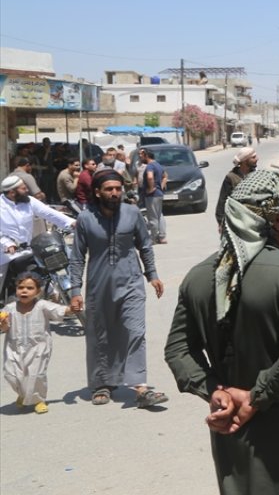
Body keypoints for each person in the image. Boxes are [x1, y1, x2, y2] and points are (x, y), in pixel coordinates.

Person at [165, 168, 279, 494]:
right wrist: (255, 398)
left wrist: (215, 391)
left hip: (233, 433)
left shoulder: (198, 277)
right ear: (277, 220)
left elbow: (177, 351)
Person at [67, 169, 167, 408]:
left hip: (131, 281)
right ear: (98, 192)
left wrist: (151, 275)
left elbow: (145, 246)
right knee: (101, 334)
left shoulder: (132, 213)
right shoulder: (85, 218)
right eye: (109, 189)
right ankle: (102, 383)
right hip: (98, 285)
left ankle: (140, 387)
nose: (115, 193)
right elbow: (77, 257)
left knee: (135, 331)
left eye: (118, 188)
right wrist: (75, 291)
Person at [1, 272, 79, 413]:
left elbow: (60, 310)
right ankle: (23, 394)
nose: (24, 291)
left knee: (36, 375)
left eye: (29, 288)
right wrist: (4, 323)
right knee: (12, 375)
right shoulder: (9, 309)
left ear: (38, 291)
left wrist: (72, 308)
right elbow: (5, 328)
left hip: (38, 348)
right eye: (21, 287)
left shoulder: (42, 305)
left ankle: (38, 400)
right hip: (13, 348)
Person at [1, 176, 76, 284]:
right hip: (4, 254)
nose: (27, 190)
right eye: (23, 188)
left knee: (48, 279)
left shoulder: (29, 201)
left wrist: (71, 223)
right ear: (12, 192)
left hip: (27, 250)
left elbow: (49, 213)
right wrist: (7, 243)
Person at [216, 147, 258, 230]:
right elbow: (222, 201)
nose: (257, 159)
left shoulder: (256, 175)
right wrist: (221, 222)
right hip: (237, 221)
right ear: (245, 161)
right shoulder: (231, 178)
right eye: (253, 157)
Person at [139, 148, 167, 244]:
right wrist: (161, 187)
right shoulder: (158, 165)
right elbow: (165, 176)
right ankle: (162, 237)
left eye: (141, 155)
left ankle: (153, 238)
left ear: (146, 155)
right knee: (160, 215)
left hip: (152, 195)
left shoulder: (150, 166)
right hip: (159, 194)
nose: (140, 157)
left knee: (152, 218)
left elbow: (150, 177)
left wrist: (151, 188)